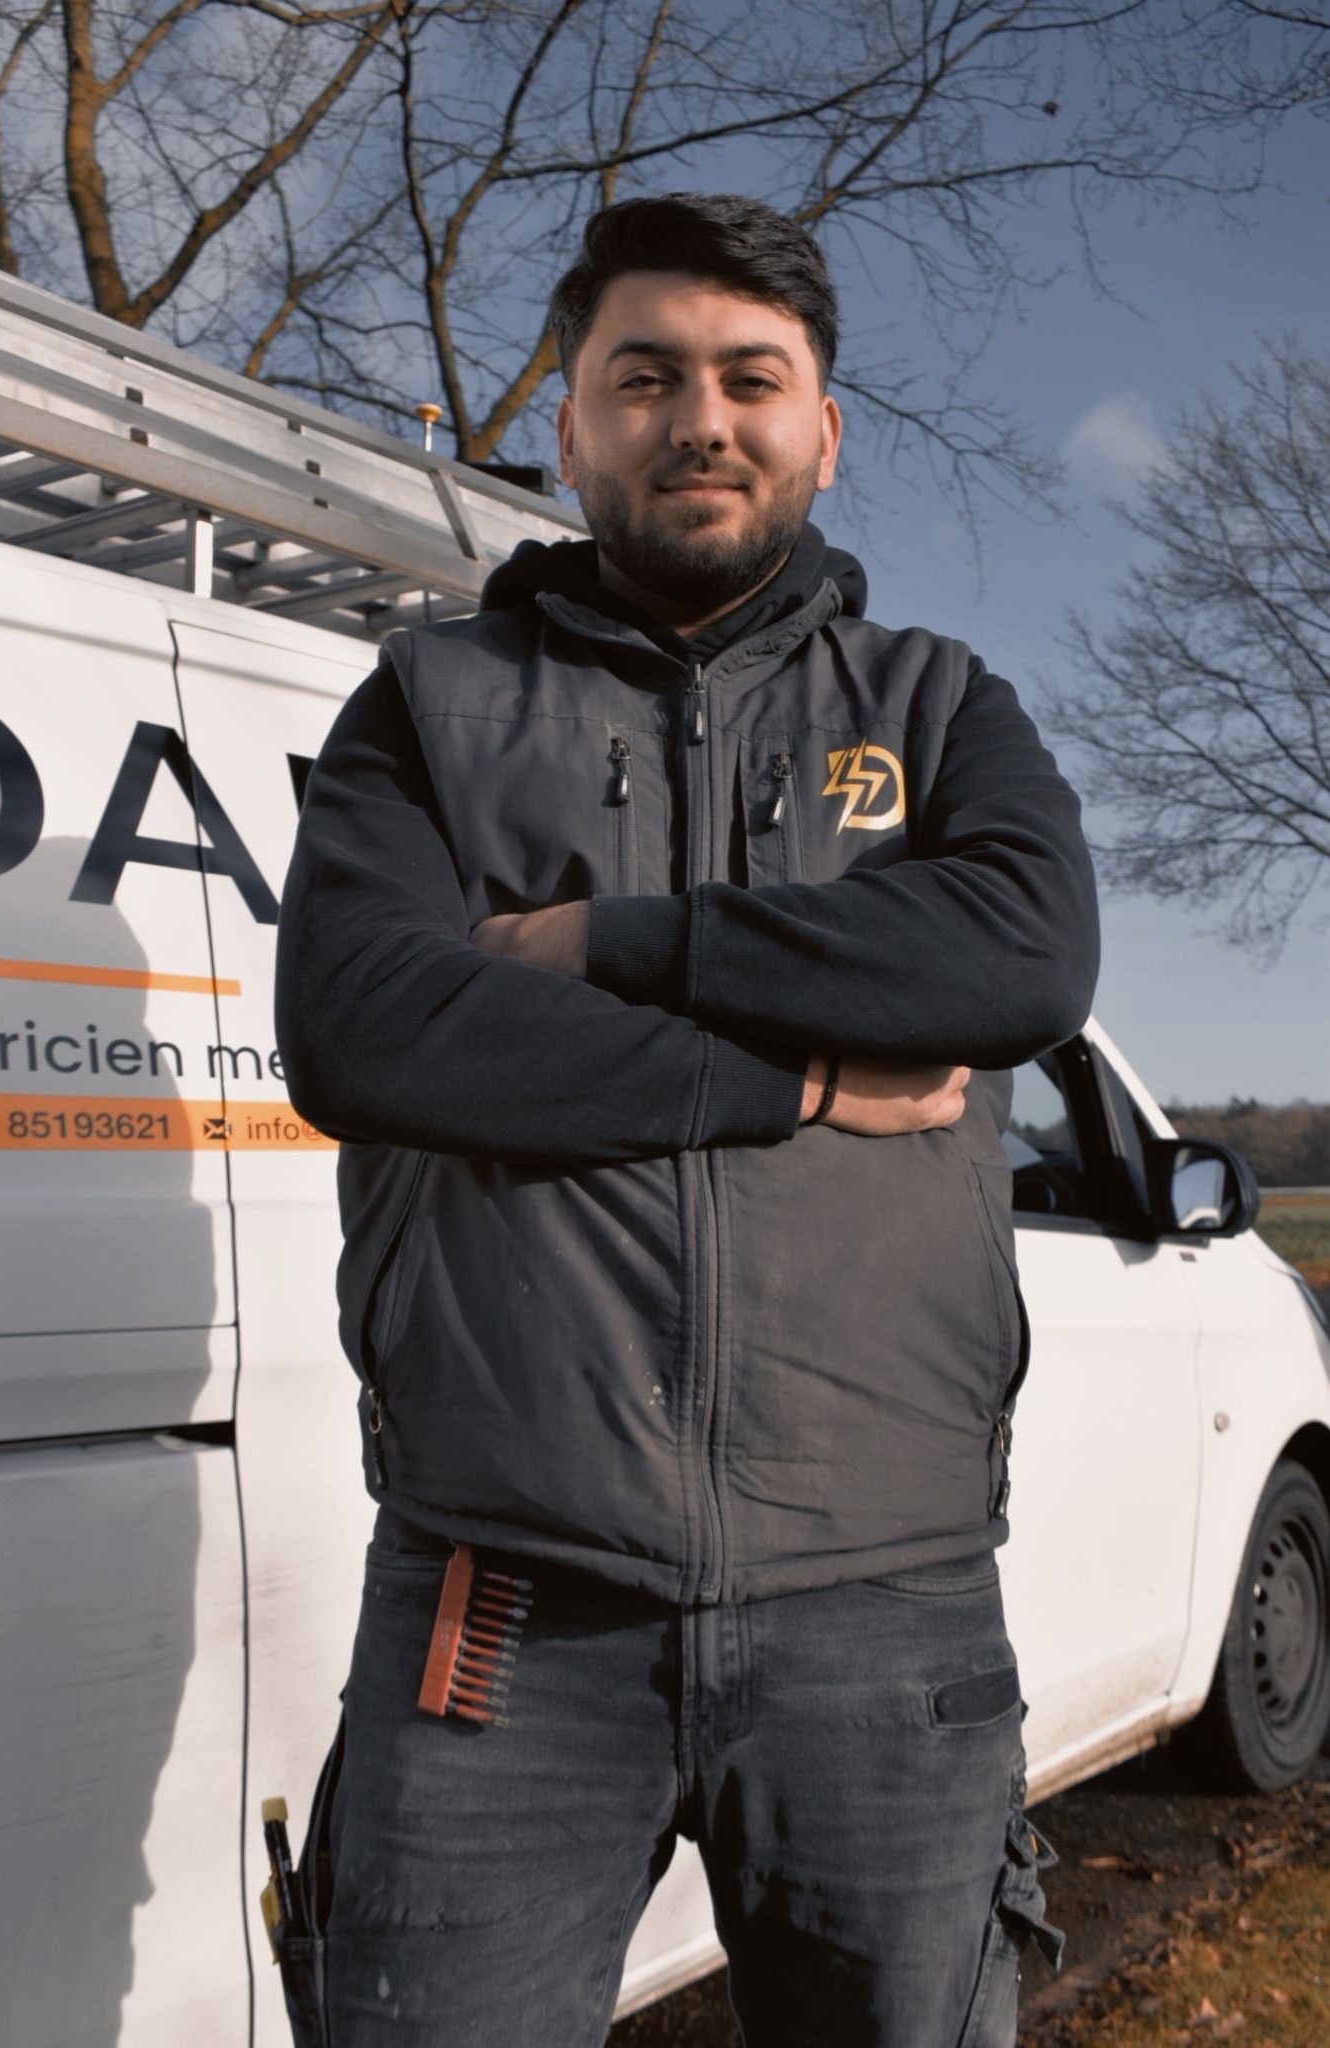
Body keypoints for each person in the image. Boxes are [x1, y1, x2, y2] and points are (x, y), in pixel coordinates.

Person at [274, 191, 1097, 2048]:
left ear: (824, 428)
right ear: (570, 424)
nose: (698, 419)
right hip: (500, 1616)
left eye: (749, 378)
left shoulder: (940, 707)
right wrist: (786, 1078)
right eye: (642, 376)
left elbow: (1019, 959)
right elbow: (368, 1028)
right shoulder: (427, 705)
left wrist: (606, 944)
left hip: (885, 1615)